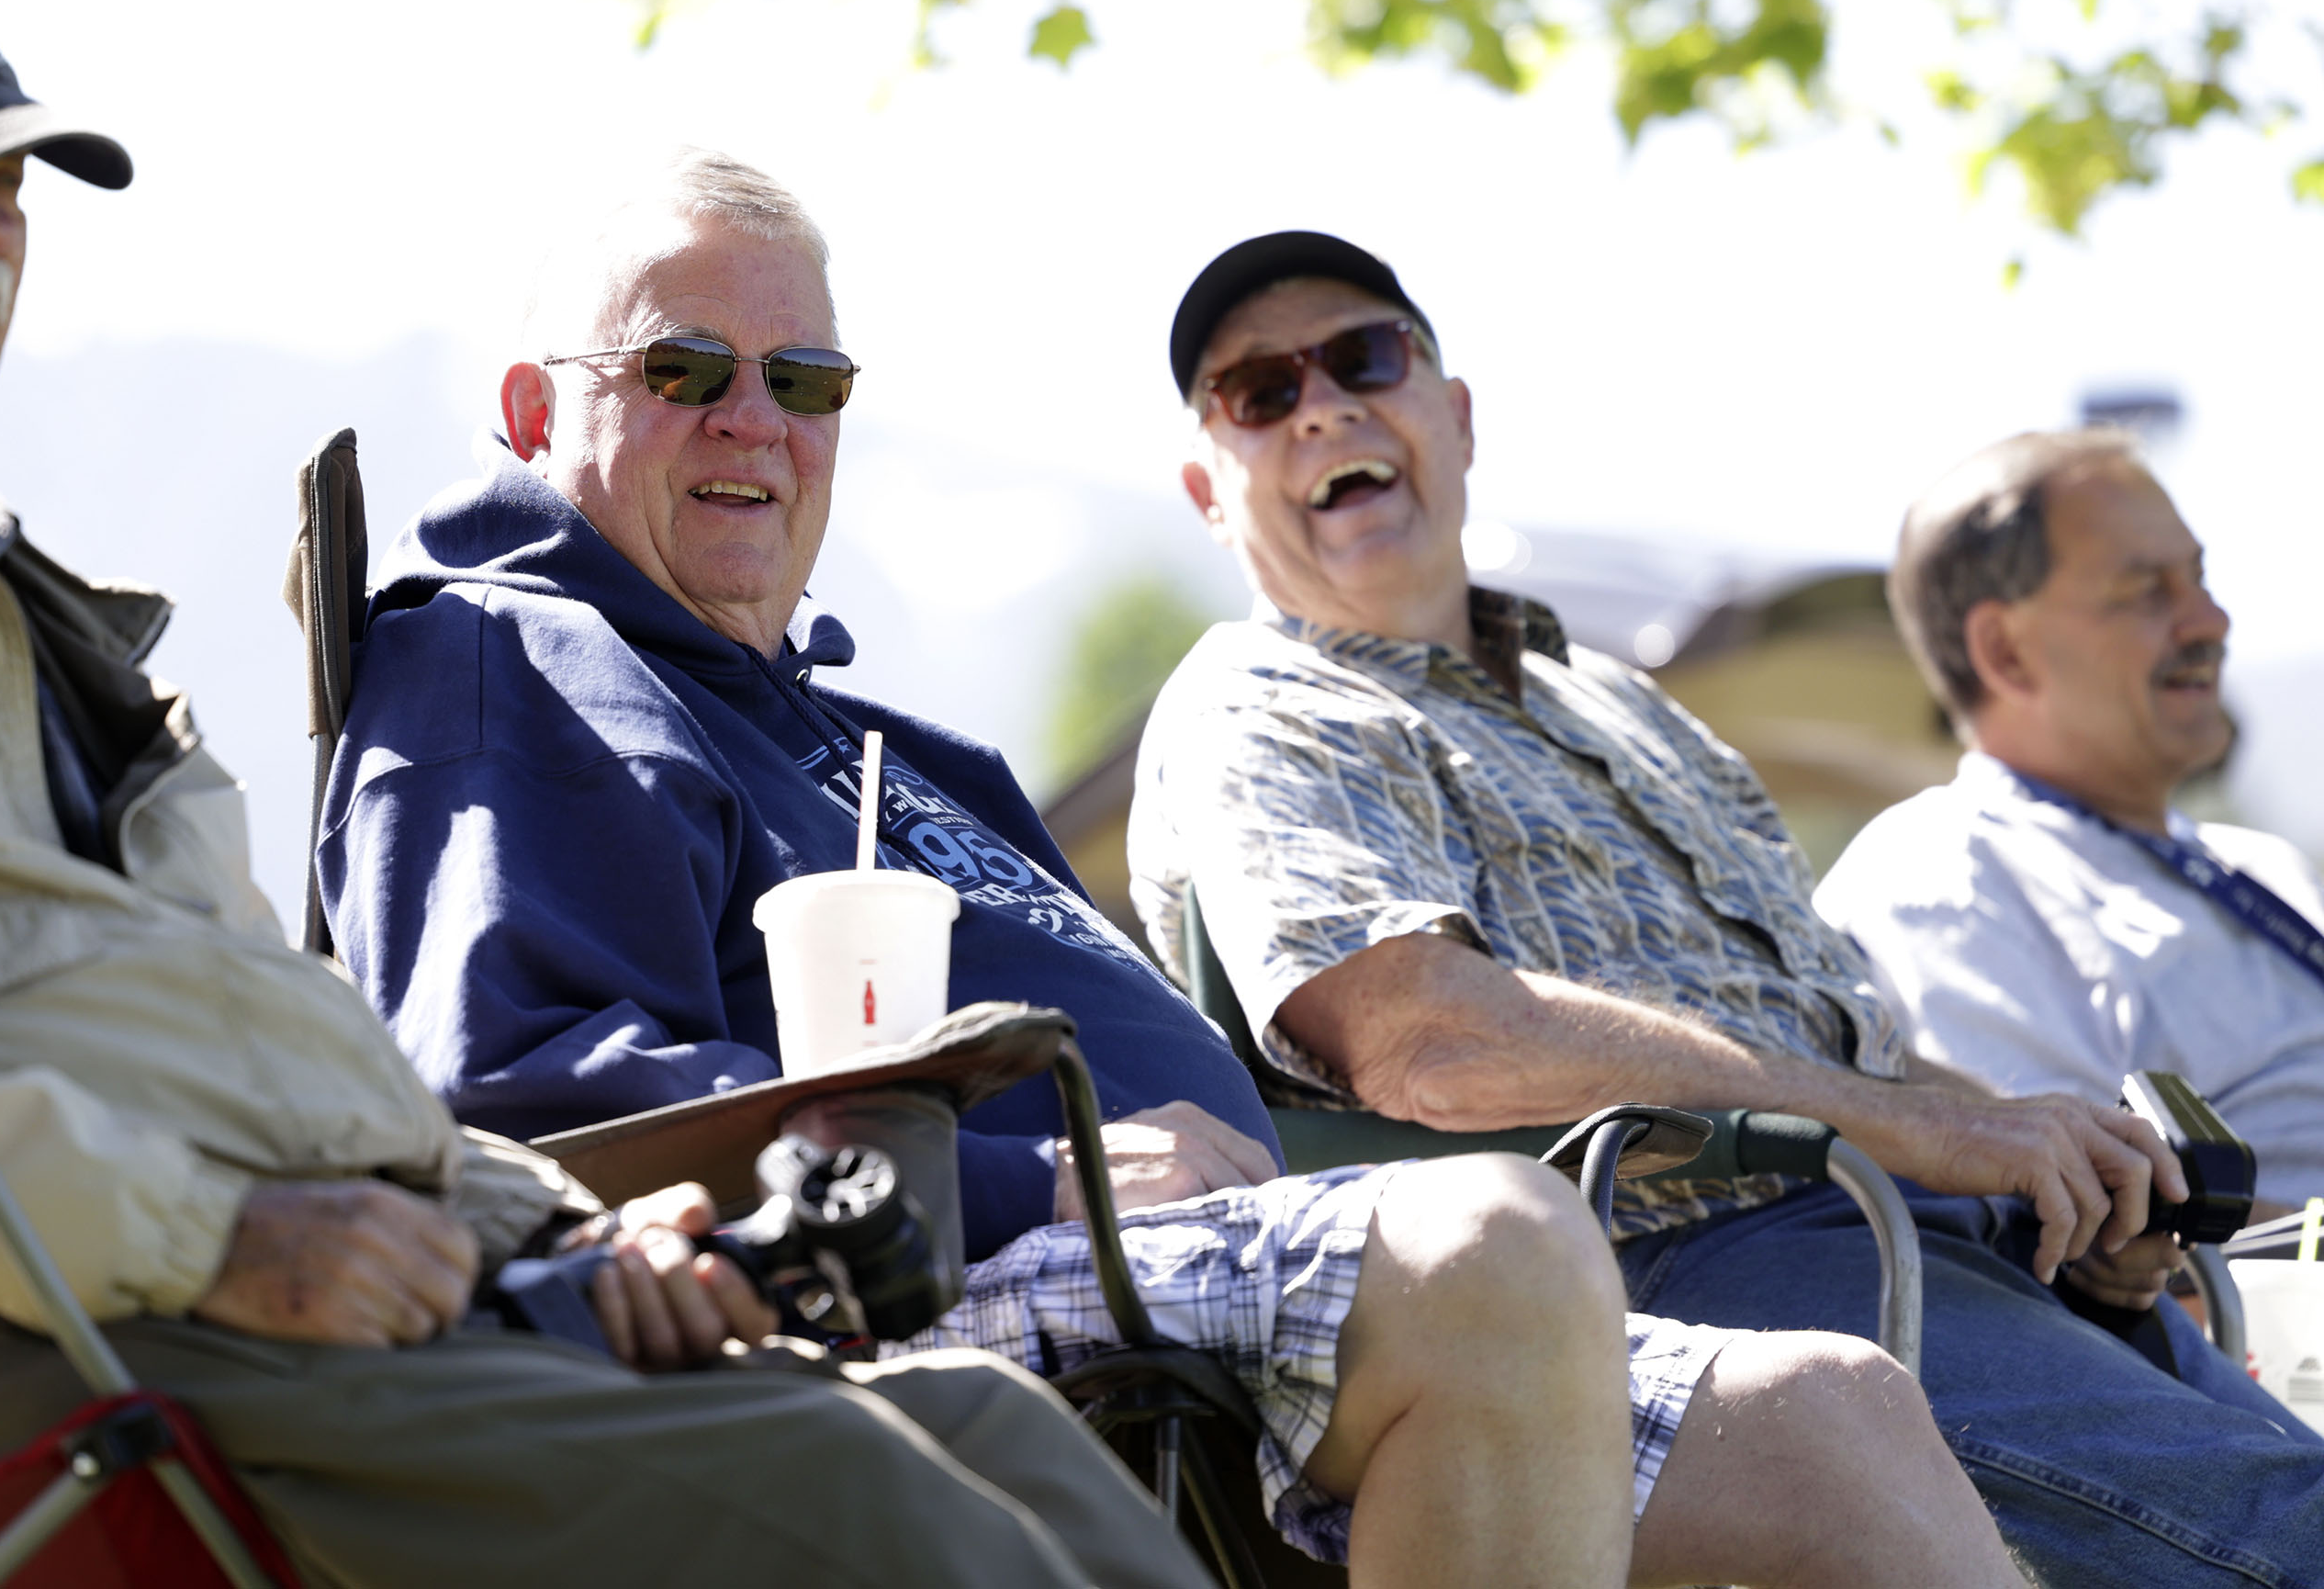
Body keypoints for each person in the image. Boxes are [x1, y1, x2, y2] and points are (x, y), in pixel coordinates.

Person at [0, 0, 1224, 1589]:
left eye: (4, 187)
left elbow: (280, 1051)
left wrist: (556, 1227)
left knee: (983, 1430)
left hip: (215, 1297)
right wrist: (213, 1237)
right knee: (874, 1510)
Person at [323, 152, 2026, 1588]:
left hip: (1205, 1278)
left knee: (1835, 1409)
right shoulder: (508, 656)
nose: (756, 420)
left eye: (807, 379)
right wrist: (1041, 1179)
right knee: (1491, 1248)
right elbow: (517, 1100)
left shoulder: (887, 747)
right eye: (687, 369)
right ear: (536, 410)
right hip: (901, 1293)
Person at [1124, 228, 2324, 1586]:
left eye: (1363, 357)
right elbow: (1427, 1039)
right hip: (1648, 1270)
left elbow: (1841, 1033)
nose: (1323, 407)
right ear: (1208, 489)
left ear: (1454, 416)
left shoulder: (1625, 704)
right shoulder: (1263, 701)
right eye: (1259, 392)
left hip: (1904, 1240)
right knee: (2287, 1528)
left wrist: (2048, 1159)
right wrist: (1902, 1123)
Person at [1813, 429, 2322, 1218]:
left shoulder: (2260, 864)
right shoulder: (1947, 874)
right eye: (2146, 590)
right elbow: (2091, 1230)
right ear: (2007, 652)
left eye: (2198, 578)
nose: (2210, 620)